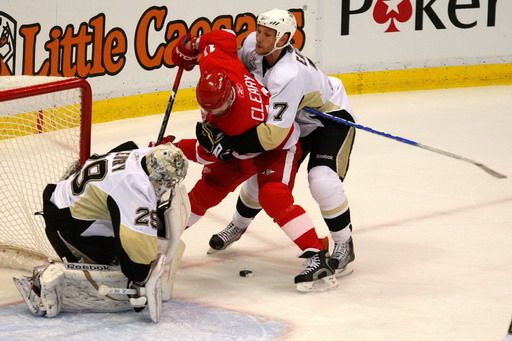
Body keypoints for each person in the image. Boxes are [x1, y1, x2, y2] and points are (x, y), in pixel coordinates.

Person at [170, 28, 337, 292]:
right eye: (207, 108)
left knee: (272, 195)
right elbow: (224, 34)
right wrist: (194, 44)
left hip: (274, 146)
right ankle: (158, 241)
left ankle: (318, 254)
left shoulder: (242, 117)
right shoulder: (216, 66)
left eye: (218, 108)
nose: (212, 112)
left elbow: (213, 154)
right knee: (203, 194)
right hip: (237, 145)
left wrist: (173, 149)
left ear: (230, 98)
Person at [203, 9, 357, 278]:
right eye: (259, 30)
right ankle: (238, 225)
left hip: (329, 121)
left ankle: (344, 243)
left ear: (284, 38)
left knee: (322, 179)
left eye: (267, 34)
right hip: (294, 121)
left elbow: (272, 135)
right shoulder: (253, 46)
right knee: (265, 178)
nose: (259, 37)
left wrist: (230, 141)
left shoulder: (287, 75)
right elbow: (231, 71)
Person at [13, 141, 190, 323]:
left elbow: (124, 147)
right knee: (123, 264)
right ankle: (41, 284)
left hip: (65, 200)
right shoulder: (134, 188)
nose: (168, 184)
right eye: (166, 180)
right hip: (67, 230)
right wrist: (139, 278)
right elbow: (138, 248)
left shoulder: (145, 155)